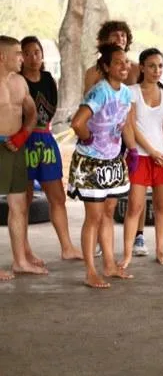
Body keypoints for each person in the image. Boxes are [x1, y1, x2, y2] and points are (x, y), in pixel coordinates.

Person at [69, 43, 137, 288]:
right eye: (118, 62)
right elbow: (78, 122)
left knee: (108, 212)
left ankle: (109, 264)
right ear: (106, 67)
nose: (124, 66)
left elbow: (126, 124)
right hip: (91, 161)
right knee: (94, 217)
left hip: (113, 159)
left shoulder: (126, 93)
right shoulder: (100, 91)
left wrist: (133, 150)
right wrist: (87, 137)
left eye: (126, 62)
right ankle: (90, 271)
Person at [83, 20, 147, 256]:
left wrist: (134, 144)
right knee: (102, 198)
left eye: (123, 35)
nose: (119, 39)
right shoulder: (94, 73)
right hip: (100, 141)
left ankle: (138, 236)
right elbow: (86, 106)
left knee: (136, 190)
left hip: (130, 134)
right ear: (104, 41)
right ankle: (101, 240)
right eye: (114, 35)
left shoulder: (136, 68)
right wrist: (89, 136)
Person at [20, 36, 82, 261]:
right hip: (23, 140)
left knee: (57, 196)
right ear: (21, 56)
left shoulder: (48, 78)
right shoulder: (16, 81)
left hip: (45, 140)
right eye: (27, 53)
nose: (33, 57)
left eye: (36, 52)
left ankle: (67, 247)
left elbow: (50, 111)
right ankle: (24, 249)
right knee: (22, 201)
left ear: (42, 55)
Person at [120, 48, 163, 268]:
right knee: (135, 206)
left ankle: (161, 250)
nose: (157, 70)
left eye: (160, 66)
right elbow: (132, 126)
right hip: (143, 156)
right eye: (152, 66)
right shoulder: (131, 92)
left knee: (162, 205)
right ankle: (127, 254)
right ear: (142, 67)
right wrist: (152, 151)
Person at [0, 35, 43, 280]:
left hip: (16, 147)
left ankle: (20, 262)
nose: (22, 58)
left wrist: (23, 135)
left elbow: (32, 113)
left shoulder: (20, 82)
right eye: (17, 53)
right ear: (2, 57)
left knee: (19, 205)